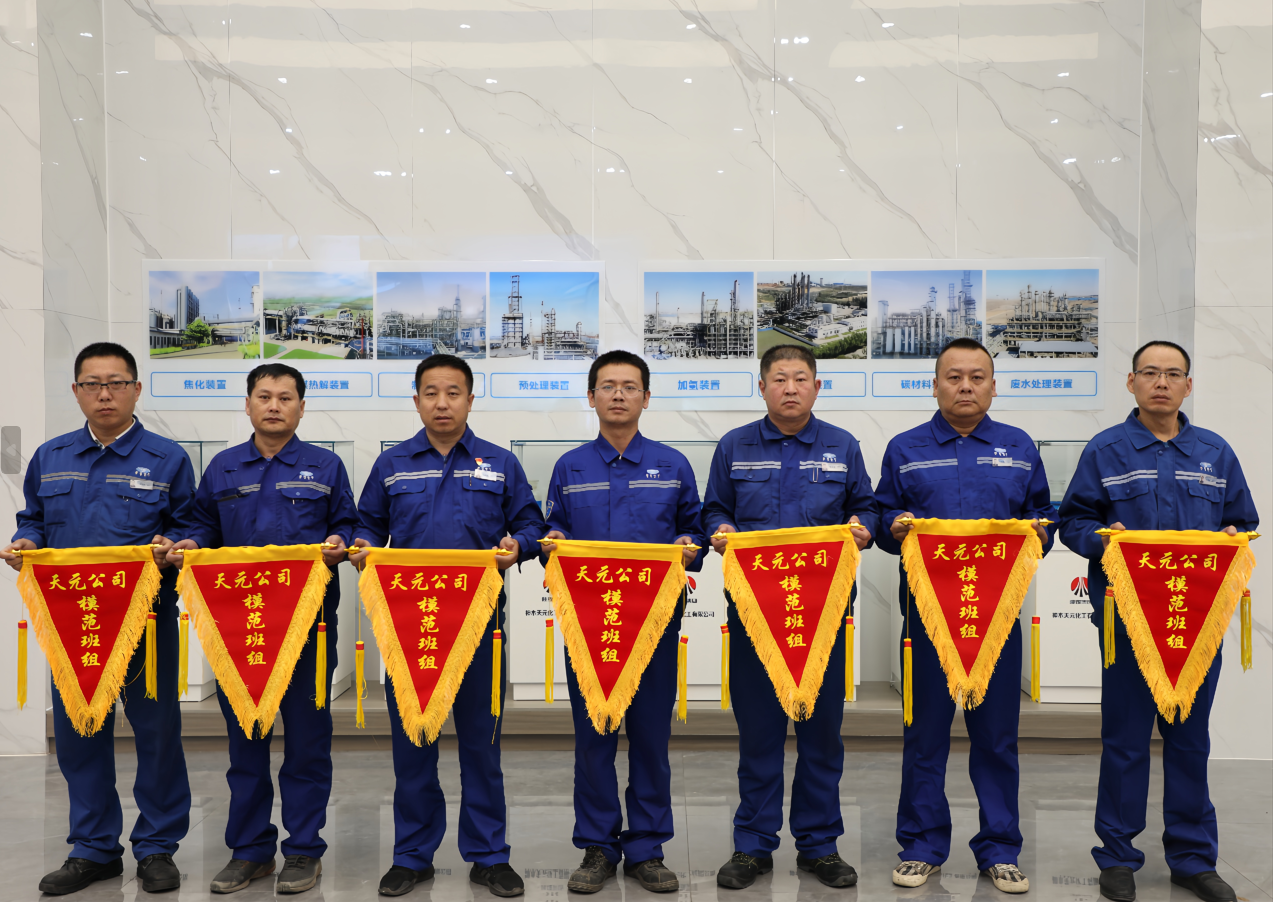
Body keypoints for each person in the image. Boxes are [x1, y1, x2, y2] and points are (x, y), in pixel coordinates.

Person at [1059, 340, 1258, 902]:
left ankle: (1192, 859)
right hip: (1127, 625)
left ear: (1188, 386)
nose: (1162, 383)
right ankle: (1117, 857)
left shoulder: (1215, 452)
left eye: (1173, 374)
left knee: (1190, 742)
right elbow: (1073, 522)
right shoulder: (1106, 450)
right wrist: (1103, 541)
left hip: (1196, 624)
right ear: (1132, 382)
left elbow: (1243, 521)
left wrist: (1232, 538)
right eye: (1150, 373)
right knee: (1125, 742)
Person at [350, 354, 546, 899]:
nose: (442, 403)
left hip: (481, 625)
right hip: (410, 626)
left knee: (482, 745)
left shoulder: (499, 463)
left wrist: (518, 544)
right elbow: (368, 526)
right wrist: (364, 547)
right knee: (415, 742)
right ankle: (412, 856)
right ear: (416, 401)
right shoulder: (392, 464)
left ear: (470, 399)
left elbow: (531, 524)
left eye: (453, 392)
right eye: (431, 393)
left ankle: (489, 856)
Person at [2, 343, 193, 896]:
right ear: (77, 391)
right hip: (74, 624)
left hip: (145, 622)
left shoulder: (167, 458)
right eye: (92, 384)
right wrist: (25, 542)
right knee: (80, 734)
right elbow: (33, 519)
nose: (104, 394)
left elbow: (189, 526)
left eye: (116, 383)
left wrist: (176, 545)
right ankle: (93, 849)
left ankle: (156, 847)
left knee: (157, 733)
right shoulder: (51, 455)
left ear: (136, 389)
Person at [167, 363, 357, 895]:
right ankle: (250, 851)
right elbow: (202, 524)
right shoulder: (223, 467)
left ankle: (303, 850)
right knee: (245, 742)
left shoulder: (325, 466)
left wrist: (341, 541)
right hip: (240, 626)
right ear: (248, 405)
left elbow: (347, 522)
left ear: (301, 407)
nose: (274, 406)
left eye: (285, 398)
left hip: (307, 627)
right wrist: (192, 544)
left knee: (307, 742)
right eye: (264, 396)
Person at [874, 338, 1053, 894]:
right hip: (927, 620)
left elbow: (1041, 516)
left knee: (996, 738)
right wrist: (894, 527)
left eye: (977, 377)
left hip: (995, 619)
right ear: (935, 386)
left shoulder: (1019, 447)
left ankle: (999, 848)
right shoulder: (905, 448)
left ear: (994, 386)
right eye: (954, 377)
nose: (966, 386)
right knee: (924, 735)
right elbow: (881, 519)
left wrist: (1040, 532)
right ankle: (921, 846)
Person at [701, 344, 877, 890]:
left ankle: (819, 846)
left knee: (821, 733)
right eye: (779, 379)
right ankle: (753, 845)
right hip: (755, 613)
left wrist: (863, 527)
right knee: (759, 733)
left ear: (817, 387)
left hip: (822, 616)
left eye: (801, 378)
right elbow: (714, 508)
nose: (791, 388)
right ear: (762, 388)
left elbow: (867, 506)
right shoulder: (734, 446)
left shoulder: (842, 446)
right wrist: (721, 529)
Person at [539, 350, 705, 895]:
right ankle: (597, 846)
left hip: (653, 621)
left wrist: (690, 544)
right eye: (607, 386)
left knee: (651, 737)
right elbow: (554, 531)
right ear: (591, 397)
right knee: (594, 737)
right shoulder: (570, 467)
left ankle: (648, 848)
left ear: (646, 398)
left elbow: (693, 530)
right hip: (591, 625)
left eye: (629, 386)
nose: (618, 395)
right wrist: (553, 542)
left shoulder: (673, 464)